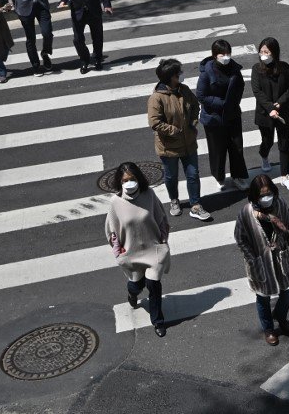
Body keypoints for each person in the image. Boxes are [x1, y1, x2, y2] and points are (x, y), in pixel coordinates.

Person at [233, 175, 289, 346]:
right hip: (260, 263)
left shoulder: (280, 205)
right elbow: (240, 238)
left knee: (288, 293)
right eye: (262, 195)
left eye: (269, 193)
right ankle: (269, 329)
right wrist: (252, 259)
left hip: (280, 258)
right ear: (255, 196)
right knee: (263, 298)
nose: (266, 198)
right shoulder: (246, 213)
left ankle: (280, 316)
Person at [105, 161, 170, 338]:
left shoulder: (149, 195)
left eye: (132, 178)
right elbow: (113, 232)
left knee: (153, 284)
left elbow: (161, 218)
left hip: (153, 249)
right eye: (125, 180)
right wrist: (118, 254)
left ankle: (158, 321)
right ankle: (132, 294)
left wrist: (163, 241)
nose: (129, 183)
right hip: (131, 253)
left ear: (139, 178)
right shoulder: (115, 202)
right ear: (119, 182)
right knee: (137, 284)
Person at [148, 58, 211, 222]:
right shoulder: (157, 98)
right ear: (171, 77)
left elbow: (195, 105)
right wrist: (173, 131)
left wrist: (193, 122)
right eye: (178, 73)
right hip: (169, 146)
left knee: (193, 174)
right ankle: (174, 200)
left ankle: (195, 205)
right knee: (171, 176)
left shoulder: (184, 90)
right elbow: (155, 122)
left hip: (189, 142)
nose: (181, 75)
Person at [197, 39, 249, 190]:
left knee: (237, 148)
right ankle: (219, 177)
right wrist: (221, 103)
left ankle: (237, 177)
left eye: (228, 53)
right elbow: (201, 96)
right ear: (214, 55)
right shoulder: (206, 73)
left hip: (232, 115)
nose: (226, 57)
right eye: (222, 54)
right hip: (214, 118)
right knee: (217, 150)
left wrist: (233, 103)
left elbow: (240, 86)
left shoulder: (234, 69)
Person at [251, 38, 289, 191]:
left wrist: (280, 103)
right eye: (262, 51)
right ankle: (264, 155)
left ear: (274, 53)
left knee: (284, 143)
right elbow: (257, 91)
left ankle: (285, 176)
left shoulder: (284, 67)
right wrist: (271, 107)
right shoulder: (256, 69)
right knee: (267, 141)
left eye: (267, 52)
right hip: (265, 113)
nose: (263, 55)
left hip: (283, 111)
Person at [7, 0, 53, 75]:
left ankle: (45, 52)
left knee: (47, 32)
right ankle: (36, 65)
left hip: (41, 4)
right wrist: (17, 8)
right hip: (24, 7)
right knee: (30, 38)